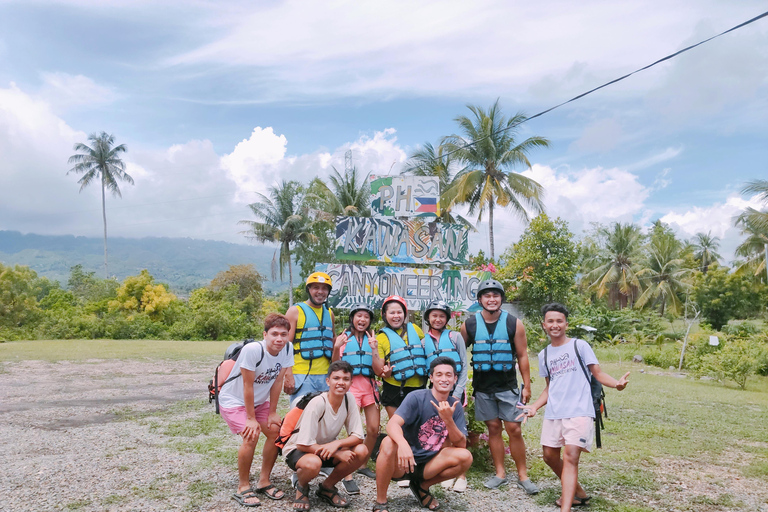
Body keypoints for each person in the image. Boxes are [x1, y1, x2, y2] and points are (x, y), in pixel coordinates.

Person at [518, 303, 630, 512]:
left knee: (570, 457)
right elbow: (549, 388)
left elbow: (597, 373)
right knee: (549, 456)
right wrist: (534, 407)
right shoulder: (543, 355)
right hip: (554, 413)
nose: (555, 325)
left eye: (559, 321)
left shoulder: (580, 346)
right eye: (550, 321)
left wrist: (616, 384)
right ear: (544, 325)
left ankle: (566, 508)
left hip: (579, 411)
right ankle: (577, 492)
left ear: (566, 324)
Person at [461, 279, 538, 494]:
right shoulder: (470, 324)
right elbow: (458, 352)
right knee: (493, 429)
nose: (491, 299)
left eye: (496, 295)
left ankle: (523, 475)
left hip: (508, 386)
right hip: (483, 387)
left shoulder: (515, 323)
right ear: (480, 300)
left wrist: (527, 386)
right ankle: (500, 473)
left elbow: (522, 355)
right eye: (487, 296)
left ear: (501, 299)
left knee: (514, 428)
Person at [373, 356, 473, 512]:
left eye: (448, 375)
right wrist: (403, 444)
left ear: (455, 379)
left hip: (429, 464)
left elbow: (461, 445)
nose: (444, 379)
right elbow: (392, 424)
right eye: (439, 374)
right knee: (387, 442)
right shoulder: (416, 397)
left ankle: (421, 486)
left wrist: (448, 420)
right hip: (402, 463)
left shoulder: (455, 405)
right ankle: (380, 502)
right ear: (431, 378)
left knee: (465, 457)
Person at [218, 313, 293, 507]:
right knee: (251, 434)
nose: (279, 339)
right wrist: (251, 418)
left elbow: (277, 381)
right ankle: (243, 486)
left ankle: (264, 481)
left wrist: (272, 412)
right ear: (265, 334)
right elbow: (247, 385)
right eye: (274, 334)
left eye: (283, 334)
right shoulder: (253, 350)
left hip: (258, 401)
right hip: (233, 400)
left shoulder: (287, 349)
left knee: (276, 432)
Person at [282, 360, 368, 511]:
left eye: (346, 379)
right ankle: (301, 488)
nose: (341, 383)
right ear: (328, 381)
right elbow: (303, 443)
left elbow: (358, 436)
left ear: (351, 383)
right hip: (298, 448)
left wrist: (336, 444)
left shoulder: (349, 399)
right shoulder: (318, 403)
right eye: (336, 378)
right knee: (313, 463)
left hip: (325, 447)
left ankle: (327, 487)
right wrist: (337, 452)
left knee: (361, 451)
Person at [420, 300, 469, 493]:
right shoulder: (424, 342)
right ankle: (445, 470)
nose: (438, 319)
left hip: (455, 392)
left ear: (447, 319)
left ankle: (462, 475)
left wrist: (457, 394)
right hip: (435, 392)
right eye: (434, 315)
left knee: (456, 431)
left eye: (442, 316)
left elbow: (464, 365)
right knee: (440, 431)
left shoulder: (455, 337)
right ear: (428, 318)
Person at [331, 303, 381, 494]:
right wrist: (337, 346)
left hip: (369, 386)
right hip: (351, 388)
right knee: (352, 431)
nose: (362, 320)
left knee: (374, 430)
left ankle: (362, 463)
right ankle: (347, 472)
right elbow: (335, 364)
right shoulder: (344, 338)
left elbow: (377, 369)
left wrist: (374, 349)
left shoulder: (374, 340)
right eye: (359, 316)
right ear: (353, 318)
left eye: (366, 317)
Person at [284, 272, 336, 405]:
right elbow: (285, 346)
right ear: (309, 290)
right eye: (316, 288)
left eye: (324, 288)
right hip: (302, 375)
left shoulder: (330, 313)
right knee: (300, 418)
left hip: (325, 376)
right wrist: (288, 374)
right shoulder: (295, 311)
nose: (320, 292)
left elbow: (333, 341)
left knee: (323, 418)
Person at [373, 295, 426, 420]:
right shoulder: (380, 338)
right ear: (385, 315)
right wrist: (384, 372)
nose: (396, 316)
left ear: (405, 313)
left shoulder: (415, 329)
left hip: (418, 387)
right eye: (392, 313)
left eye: (399, 312)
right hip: (394, 389)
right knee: (397, 429)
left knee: (416, 429)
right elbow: (379, 370)